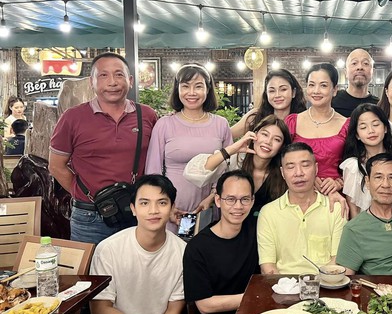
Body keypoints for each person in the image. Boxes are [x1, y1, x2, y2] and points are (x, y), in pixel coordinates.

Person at [49, 52, 158, 244]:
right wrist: (84, 194)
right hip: (89, 217)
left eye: (119, 74)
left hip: (136, 213)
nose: (112, 82)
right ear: (91, 82)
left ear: (130, 80)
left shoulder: (147, 115)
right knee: (89, 264)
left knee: (135, 263)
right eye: (103, 75)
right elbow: (56, 166)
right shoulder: (72, 117)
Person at [82, 175, 189, 314]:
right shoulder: (109, 249)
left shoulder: (183, 252)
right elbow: (100, 312)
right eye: (144, 203)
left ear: (172, 207)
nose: (153, 210)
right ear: (133, 208)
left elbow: (174, 309)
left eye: (162, 203)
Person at [183, 170, 259, 314]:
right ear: (218, 200)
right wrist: (255, 297)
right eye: (230, 199)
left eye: (244, 199)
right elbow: (205, 305)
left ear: (252, 201)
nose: (238, 206)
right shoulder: (197, 247)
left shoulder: (258, 231)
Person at [146, 63, 232, 232]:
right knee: (172, 248)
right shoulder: (165, 124)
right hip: (170, 210)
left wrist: (212, 197)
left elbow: (227, 170)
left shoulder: (221, 124)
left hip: (207, 208)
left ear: (208, 90)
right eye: (185, 86)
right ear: (177, 90)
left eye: (198, 86)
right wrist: (166, 205)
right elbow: (153, 171)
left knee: (202, 246)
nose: (191, 93)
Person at [257, 142, 346, 275]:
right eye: (290, 167)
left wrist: (313, 285)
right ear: (282, 173)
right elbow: (268, 267)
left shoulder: (336, 208)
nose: (298, 173)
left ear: (316, 169)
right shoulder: (268, 212)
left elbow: (337, 261)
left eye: (305, 165)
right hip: (282, 284)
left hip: (325, 283)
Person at [184, 115, 291, 217]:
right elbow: (194, 173)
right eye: (265, 134)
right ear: (254, 135)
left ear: (282, 147)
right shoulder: (237, 160)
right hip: (233, 226)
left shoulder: (284, 174)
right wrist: (232, 149)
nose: (268, 142)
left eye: (277, 139)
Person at [341, 104, 392, 217]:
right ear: (357, 135)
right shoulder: (353, 166)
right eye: (363, 127)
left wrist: (390, 200)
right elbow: (353, 207)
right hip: (368, 223)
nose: (371, 131)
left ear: (385, 128)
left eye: (376, 124)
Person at [285, 63, 349, 195]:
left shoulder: (347, 124)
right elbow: (281, 161)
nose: (316, 91)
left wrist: (339, 182)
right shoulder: (292, 122)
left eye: (323, 85)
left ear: (335, 89)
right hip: (299, 192)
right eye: (311, 85)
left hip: (335, 194)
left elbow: (355, 163)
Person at [231, 69, 306, 138]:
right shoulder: (255, 116)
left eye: (283, 89)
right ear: (266, 94)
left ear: (293, 92)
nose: (277, 95)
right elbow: (226, 136)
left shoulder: (303, 119)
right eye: (272, 91)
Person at [332, 49, 379, 117]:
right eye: (354, 63)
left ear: (373, 72)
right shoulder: (332, 102)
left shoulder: (379, 106)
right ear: (346, 72)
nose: (360, 67)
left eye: (365, 63)